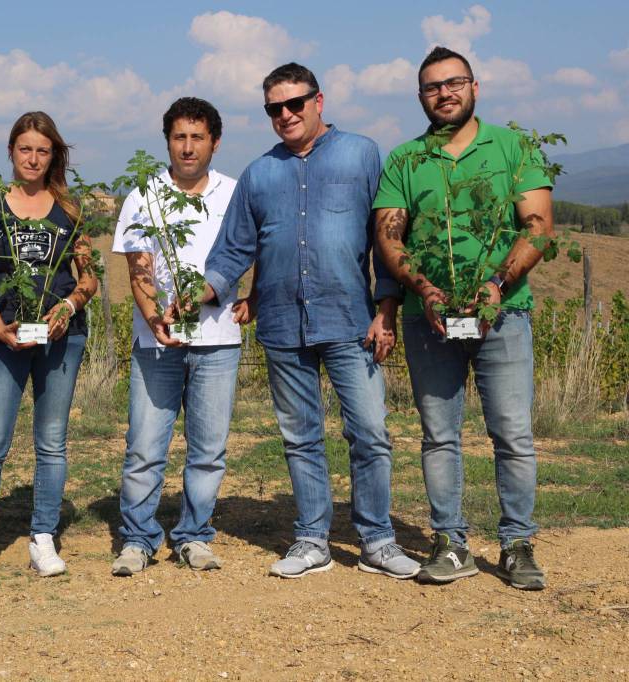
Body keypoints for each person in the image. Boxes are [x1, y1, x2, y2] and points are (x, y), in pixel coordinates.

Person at [202, 63, 420, 580]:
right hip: (281, 324)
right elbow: (235, 246)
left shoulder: (362, 154)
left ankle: (377, 540)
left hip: (350, 319)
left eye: (294, 103)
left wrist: (386, 307)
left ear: (319, 101)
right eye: (274, 108)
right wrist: (202, 292)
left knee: (369, 432)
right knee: (300, 436)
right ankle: (311, 539)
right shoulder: (259, 173)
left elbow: (385, 238)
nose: (285, 115)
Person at [373, 47, 554, 590]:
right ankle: (451, 542)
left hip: (504, 314)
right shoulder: (405, 160)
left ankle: (518, 543)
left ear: (476, 87)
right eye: (432, 87)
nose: (444, 93)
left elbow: (538, 225)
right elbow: (389, 234)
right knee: (438, 434)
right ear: (420, 96)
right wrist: (424, 290)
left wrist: (497, 284)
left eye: (454, 83)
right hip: (428, 319)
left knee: (513, 433)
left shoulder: (514, 147)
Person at [0, 111, 98, 583]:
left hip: (60, 339)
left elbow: (88, 278)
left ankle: (43, 538)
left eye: (43, 150)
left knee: (51, 443)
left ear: (54, 156)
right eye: (25, 148)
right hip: (4, 340)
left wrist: (67, 308)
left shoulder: (69, 212)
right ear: (11, 151)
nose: (33, 158)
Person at [109, 97, 240, 576]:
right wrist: (154, 318)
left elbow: (249, 250)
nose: (188, 147)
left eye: (197, 137)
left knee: (208, 450)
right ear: (167, 141)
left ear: (214, 142)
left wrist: (253, 294)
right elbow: (138, 269)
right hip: (156, 344)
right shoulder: (144, 195)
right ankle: (138, 539)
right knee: (145, 446)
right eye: (179, 137)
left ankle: (194, 535)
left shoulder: (233, 193)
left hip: (220, 340)